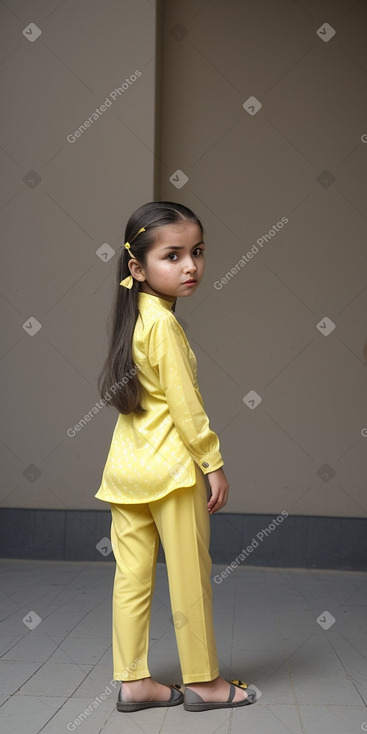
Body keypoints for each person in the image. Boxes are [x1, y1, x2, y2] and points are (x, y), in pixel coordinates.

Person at [95, 201, 256, 713]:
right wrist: (213, 463)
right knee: (190, 579)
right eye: (173, 255)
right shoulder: (163, 325)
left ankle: (134, 682)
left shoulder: (135, 319)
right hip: (169, 472)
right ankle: (205, 683)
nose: (190, 266)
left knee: (131, 580)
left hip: (125, 472)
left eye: (198, 252)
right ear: (137, 268)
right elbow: (187, 409)